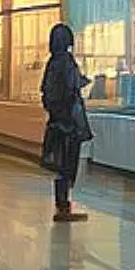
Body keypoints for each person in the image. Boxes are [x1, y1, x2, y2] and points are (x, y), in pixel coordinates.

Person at [40, 23, 92, 223]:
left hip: (56, 121)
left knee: (60, 165)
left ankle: (61, 203)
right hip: (70, 123)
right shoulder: (67, 61)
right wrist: (83, 81)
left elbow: (47, 91)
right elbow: (71, 86)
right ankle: (64, 205)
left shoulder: (52, 62)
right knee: (69, 164)